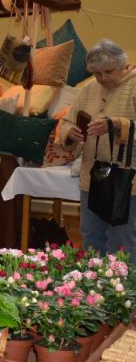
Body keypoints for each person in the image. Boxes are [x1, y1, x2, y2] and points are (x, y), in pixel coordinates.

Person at [58, 39, 136, 253]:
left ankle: (124, 278)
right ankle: (92, 276)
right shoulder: (88, 89)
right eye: (97, 73)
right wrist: (70, 134)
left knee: (122, 243)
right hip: (91, 178)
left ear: (123, 66)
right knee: (91, 237)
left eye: (108, 72)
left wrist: (116, 124)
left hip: (128, 181)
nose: (102, 78)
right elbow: (67, 122)